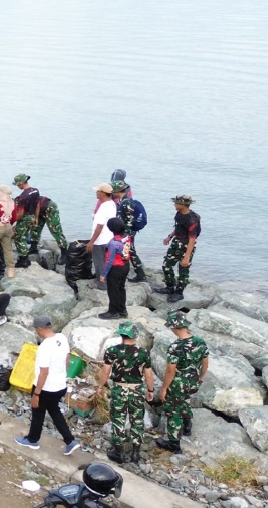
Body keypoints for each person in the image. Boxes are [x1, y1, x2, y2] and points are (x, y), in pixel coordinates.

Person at [15, 315, 81, 455]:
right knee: (55, 411)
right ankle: (70, 441)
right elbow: (67, 357)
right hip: (60, 385)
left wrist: (37, 394)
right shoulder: (61, 338)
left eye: (36, 329)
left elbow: (43, 372)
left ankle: (32, 440)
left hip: (46, 387)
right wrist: (62, 374)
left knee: (38, 412)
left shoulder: (44, 347)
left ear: (39, 329)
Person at [95, 322, 154, 464]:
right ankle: (135, 454)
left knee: (118, 419)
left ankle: (118, 453)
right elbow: (149, 375)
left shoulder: (112, 351)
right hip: (137, 390)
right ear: (135, 335)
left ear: (121, 334)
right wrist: (150, 390)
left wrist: (100, 386)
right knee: (137, 420)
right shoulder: (143, 353)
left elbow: (105, 371)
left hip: (119, 389)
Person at [156, 310, 209, 453]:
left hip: (179, 383)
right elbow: (205, 362)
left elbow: (170, 371)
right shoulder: (199, 341)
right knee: (184, 399)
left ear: (174, 328)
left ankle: (174, 444)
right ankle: (187, 425)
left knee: (173, 411)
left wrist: (164, 389)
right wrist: (201, 377)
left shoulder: (175, 347)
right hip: (193, 381)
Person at [12, 174, 68, 267]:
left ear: (21, 183)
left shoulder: (22, 198)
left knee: (55, 230)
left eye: (18, 184)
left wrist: (35, 218)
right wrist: (36, 219)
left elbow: (22, 213)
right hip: (38, 210)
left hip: (49, 208)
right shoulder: (33, 191)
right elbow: (35, 206)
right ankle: (33, 248)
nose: (17, 186)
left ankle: (64, 252)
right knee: (35, 228)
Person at [157, 195, 200, 303]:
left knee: (183, 269)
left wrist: (186, 257)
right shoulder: (179, 214)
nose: (174, 205)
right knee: (166, 265)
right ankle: (170, 286)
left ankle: (179, 292)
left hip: (186, 244)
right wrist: (170, 237)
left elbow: (192, 240)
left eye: (176, 203)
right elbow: (178, 227)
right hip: (177, 242)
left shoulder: (192, 220)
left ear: (183, 205)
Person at [110, 180, 146, 283]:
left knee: (130, 252)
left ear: (118, 191)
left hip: (127, 233)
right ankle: (138, 274)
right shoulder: (124, 201)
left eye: (113, 190)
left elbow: (130, 220)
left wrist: (124, 233)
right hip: (126, 232)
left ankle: (140, 274)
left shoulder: (126, 203)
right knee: (129, 252)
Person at [97, 217, 133, 319]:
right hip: (125, 265)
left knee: (113, 290)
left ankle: (113, 312)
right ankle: (122, 310)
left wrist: (103, 274)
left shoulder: (113, 243)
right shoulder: (126, 237)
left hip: (115, 268)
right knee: (121, 288)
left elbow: (109, 260)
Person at [86, 183, 117, 290]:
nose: (96, 193)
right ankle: (107, 280)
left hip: (101, 240)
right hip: (109, 237)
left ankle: (101, 284)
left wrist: (91, 242)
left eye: (98, 191)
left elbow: (99, 227)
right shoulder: (112, 204)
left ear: (103, 193)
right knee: (107, 261)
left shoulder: (103, 207)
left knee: (99, 262)